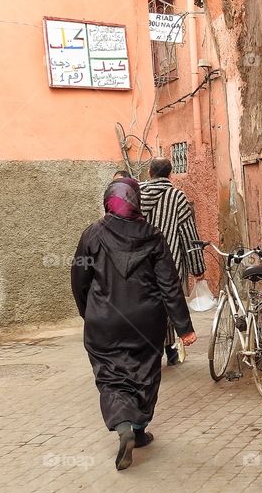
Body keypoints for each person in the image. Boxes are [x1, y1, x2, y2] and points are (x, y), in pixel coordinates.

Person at [71, 178, 197, 471]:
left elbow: (79, 279)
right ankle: (138, 431)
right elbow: (169, 284)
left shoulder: (92, 234)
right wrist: (184, 327)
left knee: (110, 375)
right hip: (146, 320)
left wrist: (87, 311)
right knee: (144, 373)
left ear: (108, 201)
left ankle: (123, 425)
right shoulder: (153, 236)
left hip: (104, 319)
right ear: (136, 201)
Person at [140, 157, 205, 365]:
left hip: (139, 263)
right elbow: (188, 234)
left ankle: (152, 350)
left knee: (147, 305)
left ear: (150, 173)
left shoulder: (136, 195)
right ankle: (170, 350)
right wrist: (197, 267)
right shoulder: (177, 197)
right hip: (170, 262)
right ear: (170, 174)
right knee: (169, 303)